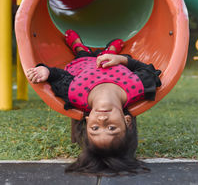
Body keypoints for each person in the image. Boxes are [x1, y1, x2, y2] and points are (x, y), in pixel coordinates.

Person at [26, 30, 161, 176]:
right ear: (127, 122)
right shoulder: (138, 86)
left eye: (95, 128)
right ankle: (112, 50)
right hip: (114, 61)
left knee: (82, 54)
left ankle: (78, 46)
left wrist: (46, 71)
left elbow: (60, 76)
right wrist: (121, 60)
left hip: (82, 62)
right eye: (111, 127)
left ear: (88, 120)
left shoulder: (74, 93)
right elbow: (146, 69)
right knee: (114, 56)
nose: (102, 120)